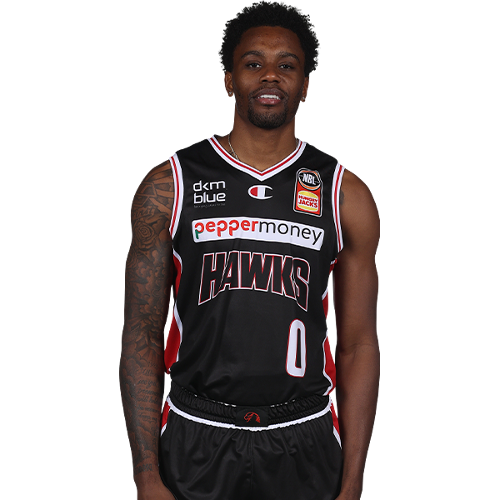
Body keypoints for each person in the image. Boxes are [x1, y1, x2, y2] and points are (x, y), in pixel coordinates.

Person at [119, 1, 380, 499]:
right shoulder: (169, 185)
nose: (270, 76)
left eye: (287, 65)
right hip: (196, 431)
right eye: (253, 62)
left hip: (304, 433)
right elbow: (141, 336)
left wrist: (353, 482)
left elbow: (358, 345)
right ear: (229, 80)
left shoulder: (343, 193)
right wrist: (146, 475)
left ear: (305, 86)